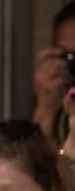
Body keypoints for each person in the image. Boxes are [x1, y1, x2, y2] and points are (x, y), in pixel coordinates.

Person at [32, 1, 75, 149]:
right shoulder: (58, 103)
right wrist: (45, 109)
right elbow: (34, 166)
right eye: (67, 56)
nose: (72, 64)